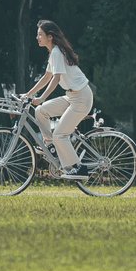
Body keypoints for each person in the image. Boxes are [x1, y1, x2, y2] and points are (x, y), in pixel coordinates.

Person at [21, 19, 94, 180]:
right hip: (72, 96)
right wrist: (28, 94)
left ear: (50, 37)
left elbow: (55, 79)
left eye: (40, 34)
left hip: (81, 98)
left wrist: (41, 97)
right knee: (41, 111)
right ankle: (51, 147)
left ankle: (79, 168)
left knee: (60, 134)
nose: (37, 37)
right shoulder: (54, 52)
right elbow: (46, 77)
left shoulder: (56, 52)